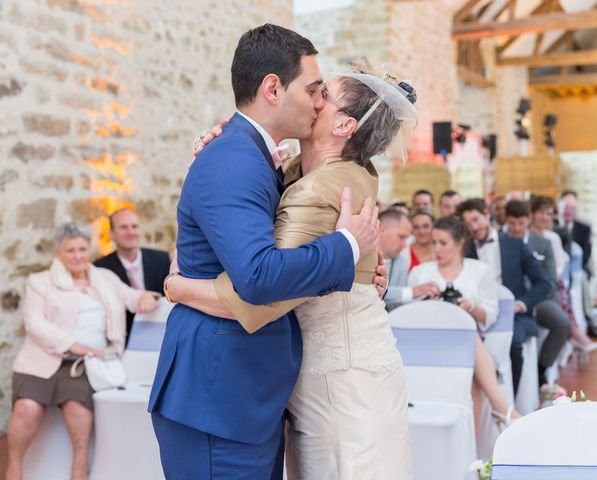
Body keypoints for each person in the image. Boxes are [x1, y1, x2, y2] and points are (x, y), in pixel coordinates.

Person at [148, 25, 383, 480]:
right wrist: (347, 247)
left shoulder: (256, 156)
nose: (318, 102)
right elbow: (258, 274)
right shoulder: (233, 157)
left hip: (244, 397)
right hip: (218, 399)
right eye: (313, 90)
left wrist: (361, 266)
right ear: (272, 87)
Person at [6, 223, 159, 480]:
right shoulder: (40, 282)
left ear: (90, 250)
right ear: (59, 252)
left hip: (86, 365)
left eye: (82, 249)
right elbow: (35, 323)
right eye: (70, 250)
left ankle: (79, 470)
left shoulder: (106, 279)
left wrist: (145, 299)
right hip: (42, 361)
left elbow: (132, 297)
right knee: (26, 409)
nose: (77, 255)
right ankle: (14, 468)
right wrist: (73, 345)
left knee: (79, 414)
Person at [408, 216, 520, 431]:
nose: (436, 249)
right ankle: (501, 406)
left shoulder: (480, 270)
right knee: (469, 342)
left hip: (468, 342)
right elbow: (410, 314)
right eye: (434, 243)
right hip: (428, 342)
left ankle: (472, 450)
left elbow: (489, 315)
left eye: (443, 243)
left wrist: (469, 307)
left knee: (471, 366)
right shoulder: (419, 273)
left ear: (459, 244)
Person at [457, 198, 551, 395]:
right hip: (477, 314)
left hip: (514, 316)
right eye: (467, 223)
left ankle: (510, 401)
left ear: (487, 214)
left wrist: (520, 304)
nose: (473, 227)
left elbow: (543, 283)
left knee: (513, 346)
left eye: (476, 219)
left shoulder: (515, 245)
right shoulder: (464, 250)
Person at [504, 200, 570, 387]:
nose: (516, 228)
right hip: (510, 298)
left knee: (561, 323)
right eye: (512, 223)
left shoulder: (543, 243)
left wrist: (531, 300)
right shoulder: (501, 243)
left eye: (521, 223)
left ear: (528, 220)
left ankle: (542, 369)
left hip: (539, 299)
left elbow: (548, 281)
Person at [530, 196, 597, 353]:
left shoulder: (553, 238)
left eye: (549, 214)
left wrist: (549, 277)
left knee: (562, 290)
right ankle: (576, 335)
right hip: (534, 286)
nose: (545, 217)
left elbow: (560, 265)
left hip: (552, 282)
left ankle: (574, 332)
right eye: (541, 213)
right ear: (532, 214)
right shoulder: (525, 237)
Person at [94, 208, 171, 339]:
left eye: (134, 226)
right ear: (111, 234)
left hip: (163, 332)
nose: (130, 232)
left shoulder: (161, 259)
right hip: (124, 338)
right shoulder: (100, 268)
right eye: (123, 227)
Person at [559, 190, 597, 338]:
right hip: (560, 268)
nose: (568, 211)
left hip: (579, 267)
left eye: (572, 208)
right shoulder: (555, 226)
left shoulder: (584, 228)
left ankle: (589, 319)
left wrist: (574, 269)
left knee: (581, 280)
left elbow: (586, 253)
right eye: (566, 207)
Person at [379, 209, 431, 312]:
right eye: (401, 237)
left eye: (407, 238)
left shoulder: (402, 262)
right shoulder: (362, 257)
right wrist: (411, 292)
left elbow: (396, 304)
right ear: (382, 230)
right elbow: (371, 292)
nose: (405, 244)